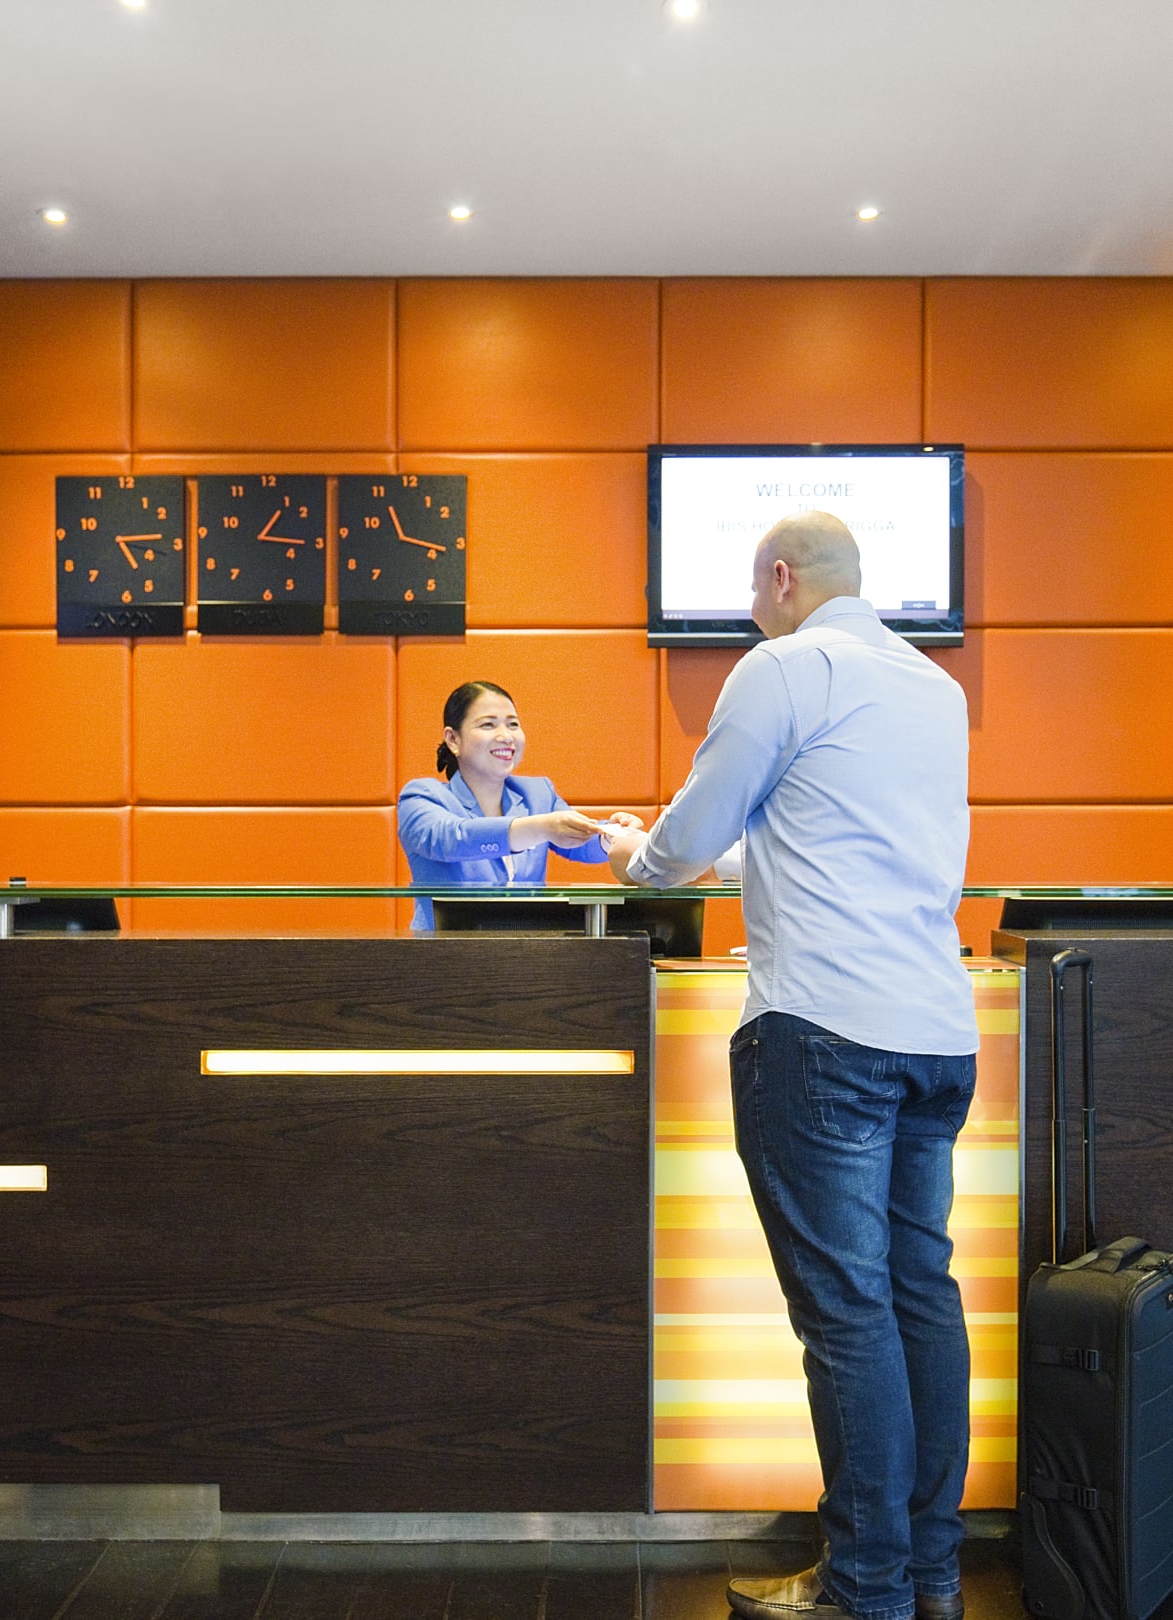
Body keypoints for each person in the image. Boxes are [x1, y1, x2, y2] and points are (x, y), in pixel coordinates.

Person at [605, 512, 976, 1620]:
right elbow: (824, 840)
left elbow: (683, 845)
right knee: (921, 1300)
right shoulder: (934, 689)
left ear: (779, 578)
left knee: (849, 1315)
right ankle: (929, 1574)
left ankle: (865, 1585)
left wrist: (636, 855)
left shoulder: (781, 667)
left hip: (823, 1033)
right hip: (936, 1034)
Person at [397, 680, 642, 930]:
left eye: (513, 724)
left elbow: (580, 839)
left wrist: (614, 834)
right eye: (488, 724)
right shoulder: (421, 796)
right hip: (446, 948)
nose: (506, 736)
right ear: (453, 739)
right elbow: (454, 838)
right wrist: (542, 827)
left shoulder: (537, 793)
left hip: (526, 948)